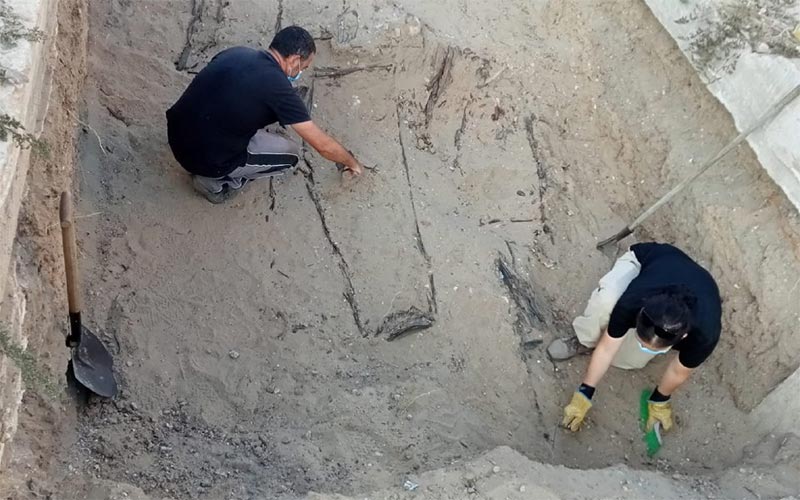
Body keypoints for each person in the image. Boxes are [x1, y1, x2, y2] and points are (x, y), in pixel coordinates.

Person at [166, 26, 364, 204]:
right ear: (294, 60)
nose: (301, 72)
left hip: (175, 134)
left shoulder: (236, 53)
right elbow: (323, 146)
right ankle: (213, 184)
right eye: (303, 67)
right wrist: (351, 163)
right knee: (291, 154)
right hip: (205, 160)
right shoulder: (279, 91)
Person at [549, 242, 721, 433]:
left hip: (692, 283)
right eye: (641, 340)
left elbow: (679, 371)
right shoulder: (633, 301)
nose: (645, 347)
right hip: (642, 262)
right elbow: (607, 347)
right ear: (639, 315)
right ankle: (585, 340)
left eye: (649, 348)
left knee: (630, 361)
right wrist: (585, 392)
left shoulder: (705, 334)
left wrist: (659, 400)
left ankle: (612, 341)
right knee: (606, 304)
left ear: (684, 336)